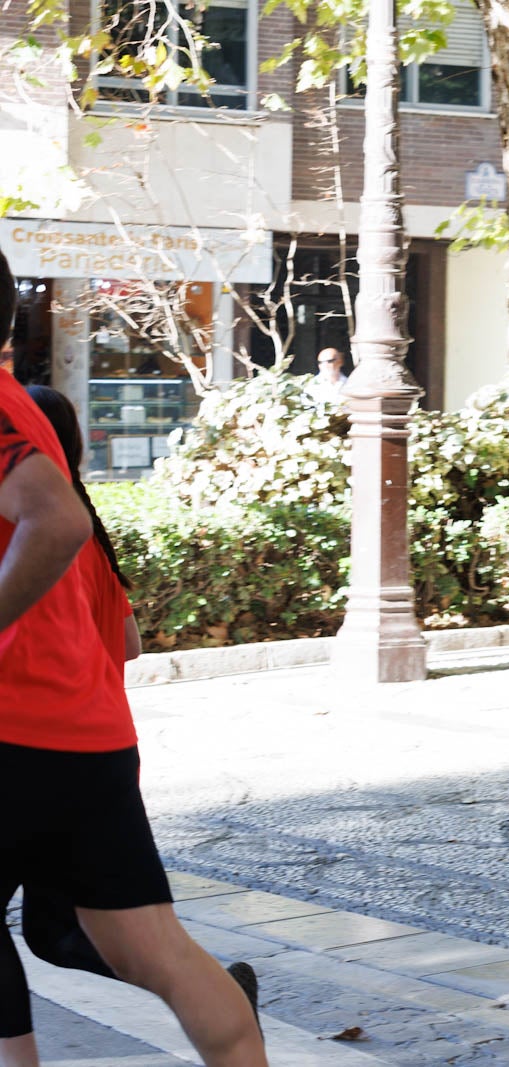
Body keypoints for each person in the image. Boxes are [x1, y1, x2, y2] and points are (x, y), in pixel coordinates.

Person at [0, 250, 266, 1067]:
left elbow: (56, 522)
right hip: (85, 735)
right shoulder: (25, 409)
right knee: (149, 945)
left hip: (16, 729)